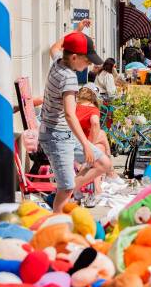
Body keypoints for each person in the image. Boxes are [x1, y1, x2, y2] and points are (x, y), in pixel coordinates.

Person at [40, 20, 112, 212]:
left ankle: (60, 195)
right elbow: (70, 114)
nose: (89, 64)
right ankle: (58, 217)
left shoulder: (58, 60)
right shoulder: (69, 78)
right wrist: (86, 144)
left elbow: (55, 47)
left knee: (103, 162)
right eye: (87, 61)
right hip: (57, 136)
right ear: (74, 57)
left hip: (61, 133)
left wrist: (77, 32)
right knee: (66, 187)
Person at [75, 84, 123, 194]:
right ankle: (108, 176)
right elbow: (95, 123)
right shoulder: (92, 109)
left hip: (73, 140)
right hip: (79, 144)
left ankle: (106, 178)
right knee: (100, 146)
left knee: (100, 143)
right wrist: (89, 146)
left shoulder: (74, 106)